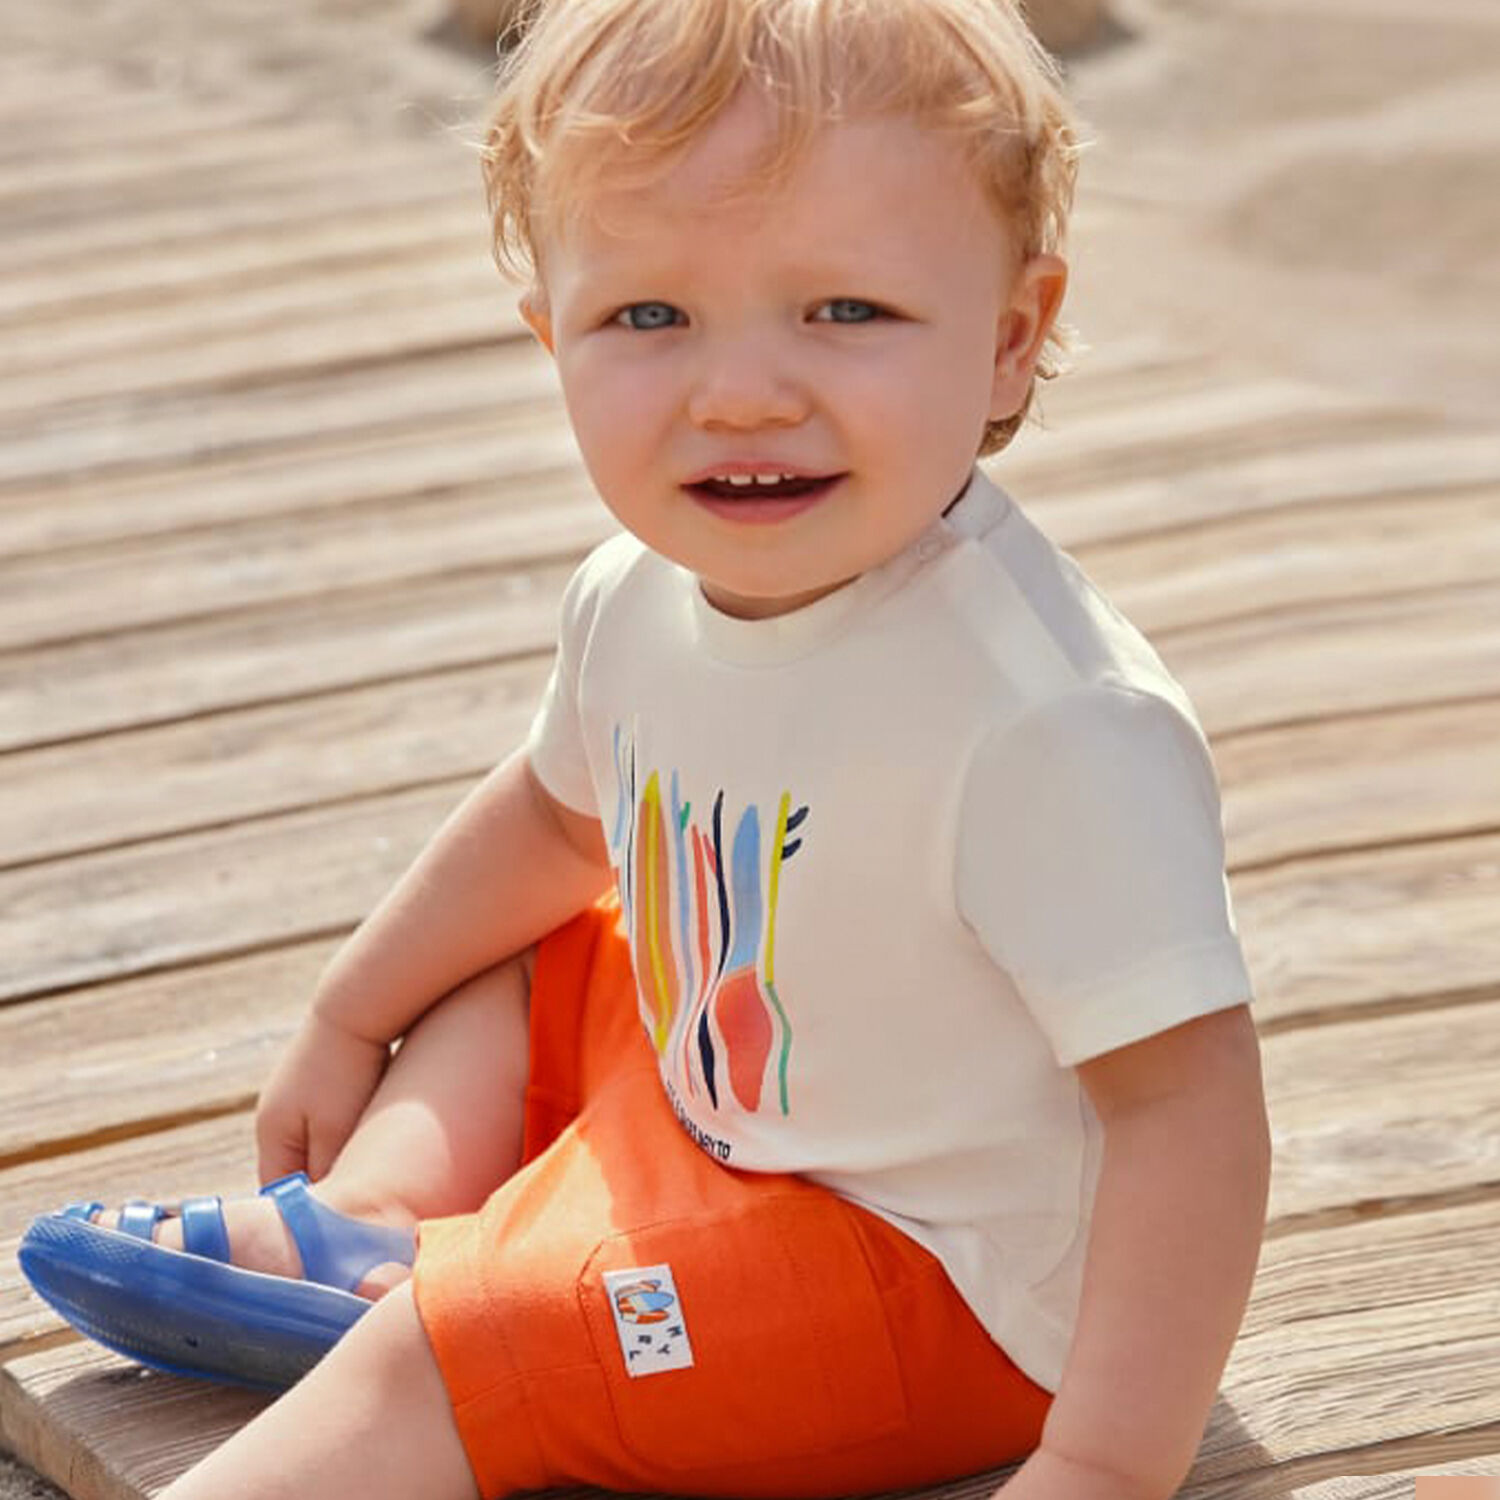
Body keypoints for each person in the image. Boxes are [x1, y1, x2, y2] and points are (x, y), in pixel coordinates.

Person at [18, 1, 1272, 1497]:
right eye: (650, 318)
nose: (741, 392)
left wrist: (1108, 1466)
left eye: (847, 312)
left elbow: (1188, 1112)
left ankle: (434, 1313)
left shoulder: (1048, 726)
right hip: (734, 1099)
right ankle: (379, 1216)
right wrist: (357, 1010)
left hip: (937, 1287)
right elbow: (554, 823)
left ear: (1012, 339)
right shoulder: (634, 602)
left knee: (447, 1357)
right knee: (547, 935)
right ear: (553, 333)